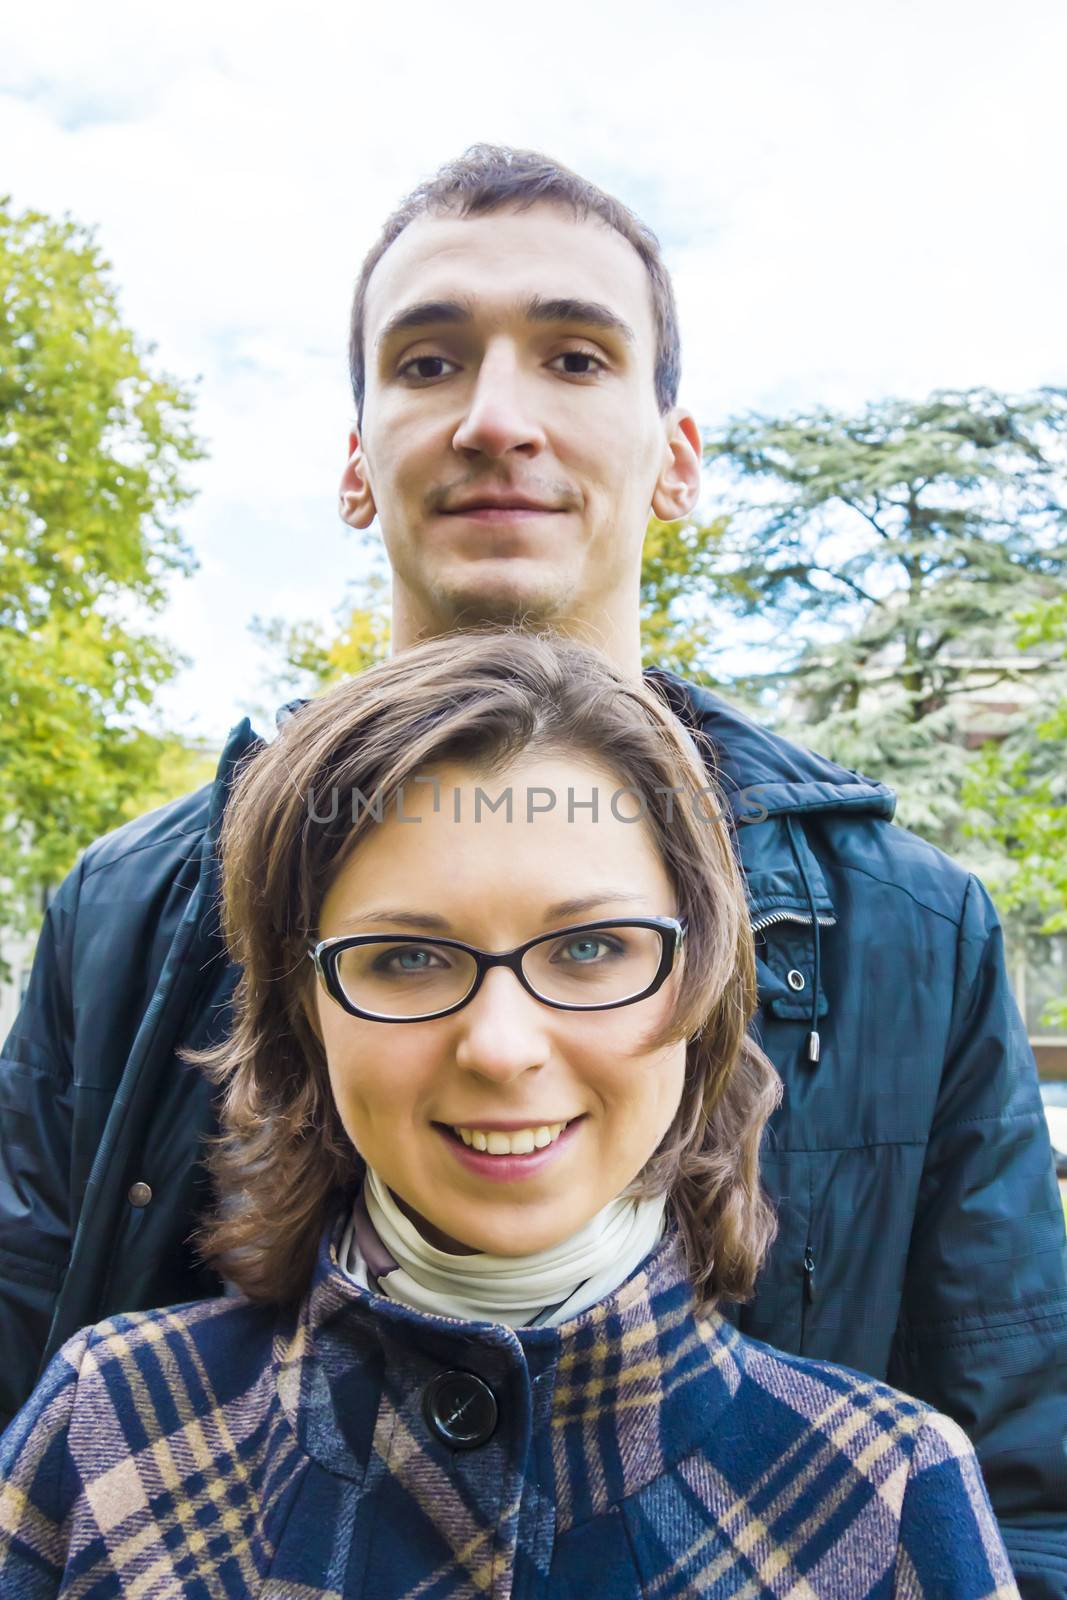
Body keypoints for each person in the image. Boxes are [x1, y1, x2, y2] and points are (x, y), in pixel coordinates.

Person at [0, 143, 1063, 1595]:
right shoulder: (135, 906)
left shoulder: (903, 927)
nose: (495, 419)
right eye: (427, 361)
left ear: (673, 456)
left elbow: (1021, 1474)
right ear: (355, 463)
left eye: (572, 356)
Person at [0, 631, 1020, 1599]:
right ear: (300, 1011)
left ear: (703, 986)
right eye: (403, 956)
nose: (499, 1046)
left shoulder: (885, 1494)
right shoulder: (106, 1429)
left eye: (588, 949)